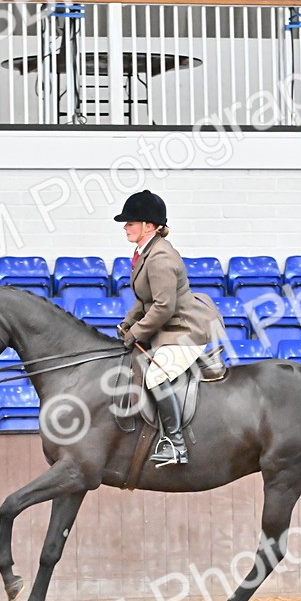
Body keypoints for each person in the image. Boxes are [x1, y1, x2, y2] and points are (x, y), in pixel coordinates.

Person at [115, 190, 225, 467]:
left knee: (156, 377)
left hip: (185, 330)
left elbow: (163, 307)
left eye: (130, 222)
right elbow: (145, 300)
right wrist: (127, 324)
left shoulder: (160, 257)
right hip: (169, 326)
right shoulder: (145, 252)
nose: (125, 227)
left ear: (149, 226)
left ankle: (176, 445)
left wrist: (137, 333)